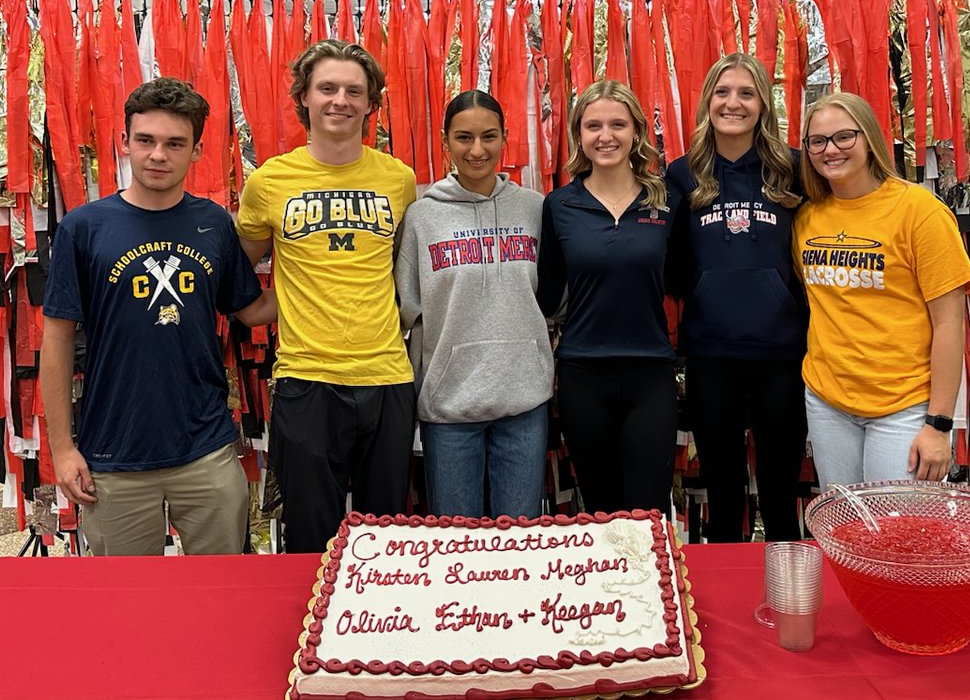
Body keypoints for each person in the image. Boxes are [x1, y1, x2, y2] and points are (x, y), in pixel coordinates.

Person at [41, 77, 275, 556]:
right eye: (145, 140)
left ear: (197, 150)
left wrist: (330, 280)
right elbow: (58, 339)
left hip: (205, 448)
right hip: (113, 452)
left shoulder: (213, 223)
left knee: (222, 592)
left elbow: (252, 310)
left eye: (175, 143)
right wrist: (62, 449)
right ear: (124, 142)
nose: (158, 155)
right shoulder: (84, 228)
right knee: (126, 606)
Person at [237, 38, 417, 554]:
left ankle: (381, 632)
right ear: (305, 98)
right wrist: (267, 306)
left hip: (387, 376)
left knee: (385, 540)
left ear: (370, 103)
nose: (340, 100)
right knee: (310, 535)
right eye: (328, 88)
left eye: (353, 91)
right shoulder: (270, 180)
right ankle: (311, 634)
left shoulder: (398, 179)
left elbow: (400, 268)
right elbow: (239, 270)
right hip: (306, 378)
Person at [795, 92, 970, 487]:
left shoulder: (920, 211)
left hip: (903, 406)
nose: (831, 150)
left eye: (844, 137)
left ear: (870, 138)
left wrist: (939, 424)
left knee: (896, 538)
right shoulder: (807, 218)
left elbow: (949, 324)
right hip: (828, 402)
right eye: (818, 141)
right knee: (843, 528)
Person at [666, 53, 808, 542]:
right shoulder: (682, 175)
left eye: (746, 93)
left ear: (763, 104)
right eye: (723, 93)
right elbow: (675, 264)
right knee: (723, 492)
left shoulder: (793, 168)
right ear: (707, 102)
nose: (733, 103)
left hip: (782, 354)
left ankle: (788, 600)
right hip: (711, 353)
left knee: (780, 489)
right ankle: (725, 601)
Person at [395, 90, 553, 518]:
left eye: (489, 136)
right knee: (456, 545)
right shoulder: (422, 218)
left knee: (521, 543)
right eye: (464, 137)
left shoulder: (535, 209)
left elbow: (553, 297)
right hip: (449, 406)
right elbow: (405, 309)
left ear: (505, 139)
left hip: (524, 401)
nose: (477, 149)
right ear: (445, 141)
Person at [536, 80, 679, 515]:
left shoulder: (668, 201)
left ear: (635, 130)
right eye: (593, 125)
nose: (606, 136)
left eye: (618, 124)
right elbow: (547, 293)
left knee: (647, 514)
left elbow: (682, 280)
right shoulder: (559, 205)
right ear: (579, 134)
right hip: (584, 375)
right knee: (600, 512)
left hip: (651, 373)